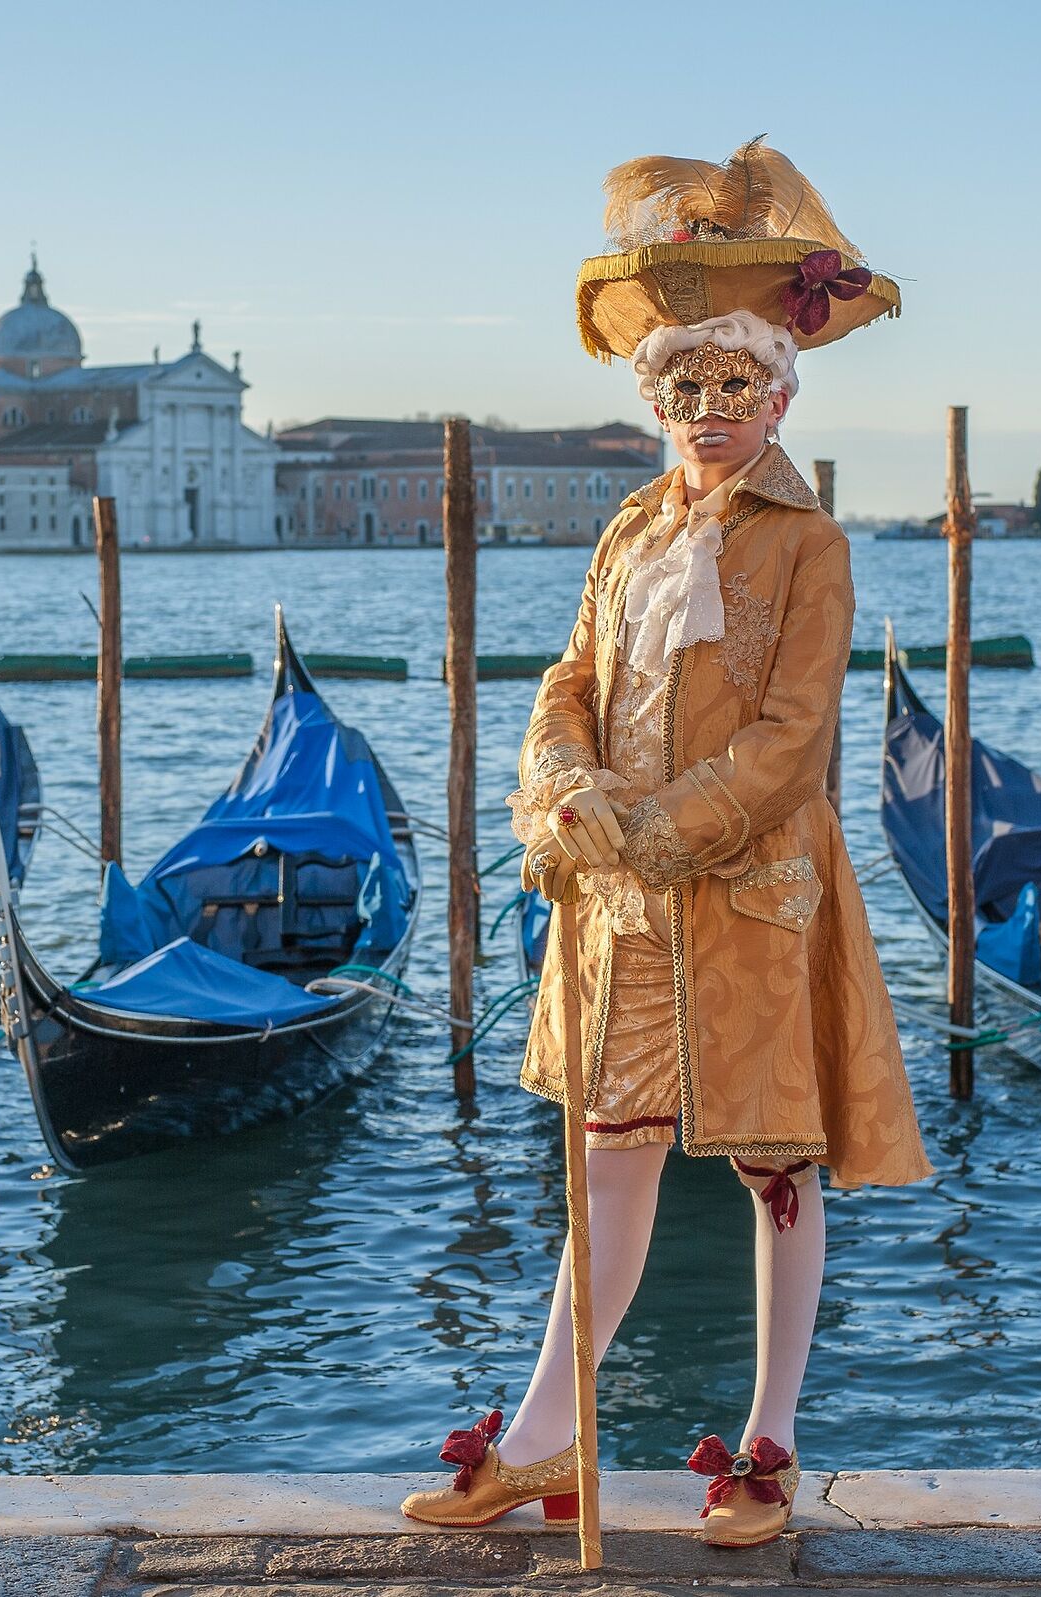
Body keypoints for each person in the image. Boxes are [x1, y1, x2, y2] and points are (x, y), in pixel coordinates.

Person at [401, 140, 932, 1549]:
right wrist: (564, 786)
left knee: (775, 1167)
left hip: (754, 898)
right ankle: (545, 1439)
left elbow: (794, 738)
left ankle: (771, 1442)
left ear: (781, 391)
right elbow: (570, 680)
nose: (708, 413)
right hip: (621, 903)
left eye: (734, 389)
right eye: (685, 390)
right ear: (655, 397)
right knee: (609, 1152)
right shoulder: (631, 529)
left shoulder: (811, 545)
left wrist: (651, 824)